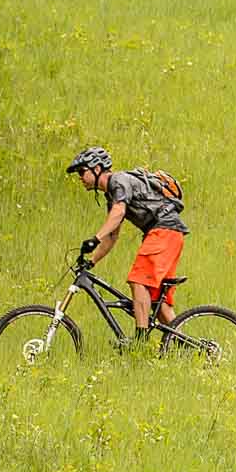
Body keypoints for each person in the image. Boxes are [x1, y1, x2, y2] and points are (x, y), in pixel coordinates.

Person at [65, 146, 187, 346]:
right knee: (157, 301)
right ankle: (185, 348)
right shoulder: (112, 194)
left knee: (137, 280)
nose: (80, 177)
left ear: (96, 168)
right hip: (167, 233)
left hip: (163, 231)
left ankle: (139, 342)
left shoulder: (118, 181)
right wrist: (92, 261)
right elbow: (112, 235)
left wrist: (94, 238)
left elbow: (118, 213)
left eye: (82, 171)